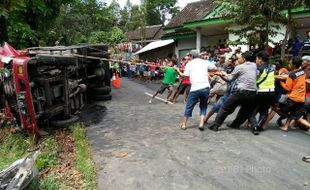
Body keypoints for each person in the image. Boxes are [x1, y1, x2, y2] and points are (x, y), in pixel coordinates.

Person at [208, 51, 258, 134]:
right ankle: (254, 127)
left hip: (241, 91)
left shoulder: (240, 67)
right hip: (253, 92)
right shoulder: (254, 65)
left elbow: (230, 79)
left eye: (240, 58)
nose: (238, 59)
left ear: (244, 59)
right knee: (249, 110)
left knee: (225, 107)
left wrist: (220, 75)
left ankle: (216, 125)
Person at [178, 50, 218, 130]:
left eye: (189, 56)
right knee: (203, 106)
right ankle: (201, 123)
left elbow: (185, 76)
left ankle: (184, 124)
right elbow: (215, 68)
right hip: (205, 87)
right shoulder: (205, 62)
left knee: (189, 106)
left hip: (195, 88)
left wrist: (178, 71)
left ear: (192, 56)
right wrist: (207, 71)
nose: (188, 57)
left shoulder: (189, 64)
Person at [279, 57, 310, 132]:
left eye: (290, 63)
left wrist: (281, 81)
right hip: (301, 98)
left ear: (293, 65)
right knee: (294, 115)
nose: (289, 64)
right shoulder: (302, 72)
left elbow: (288, 88)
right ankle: (285, 127)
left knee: (277, 107)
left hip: (293, 98)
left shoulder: (292, 75)